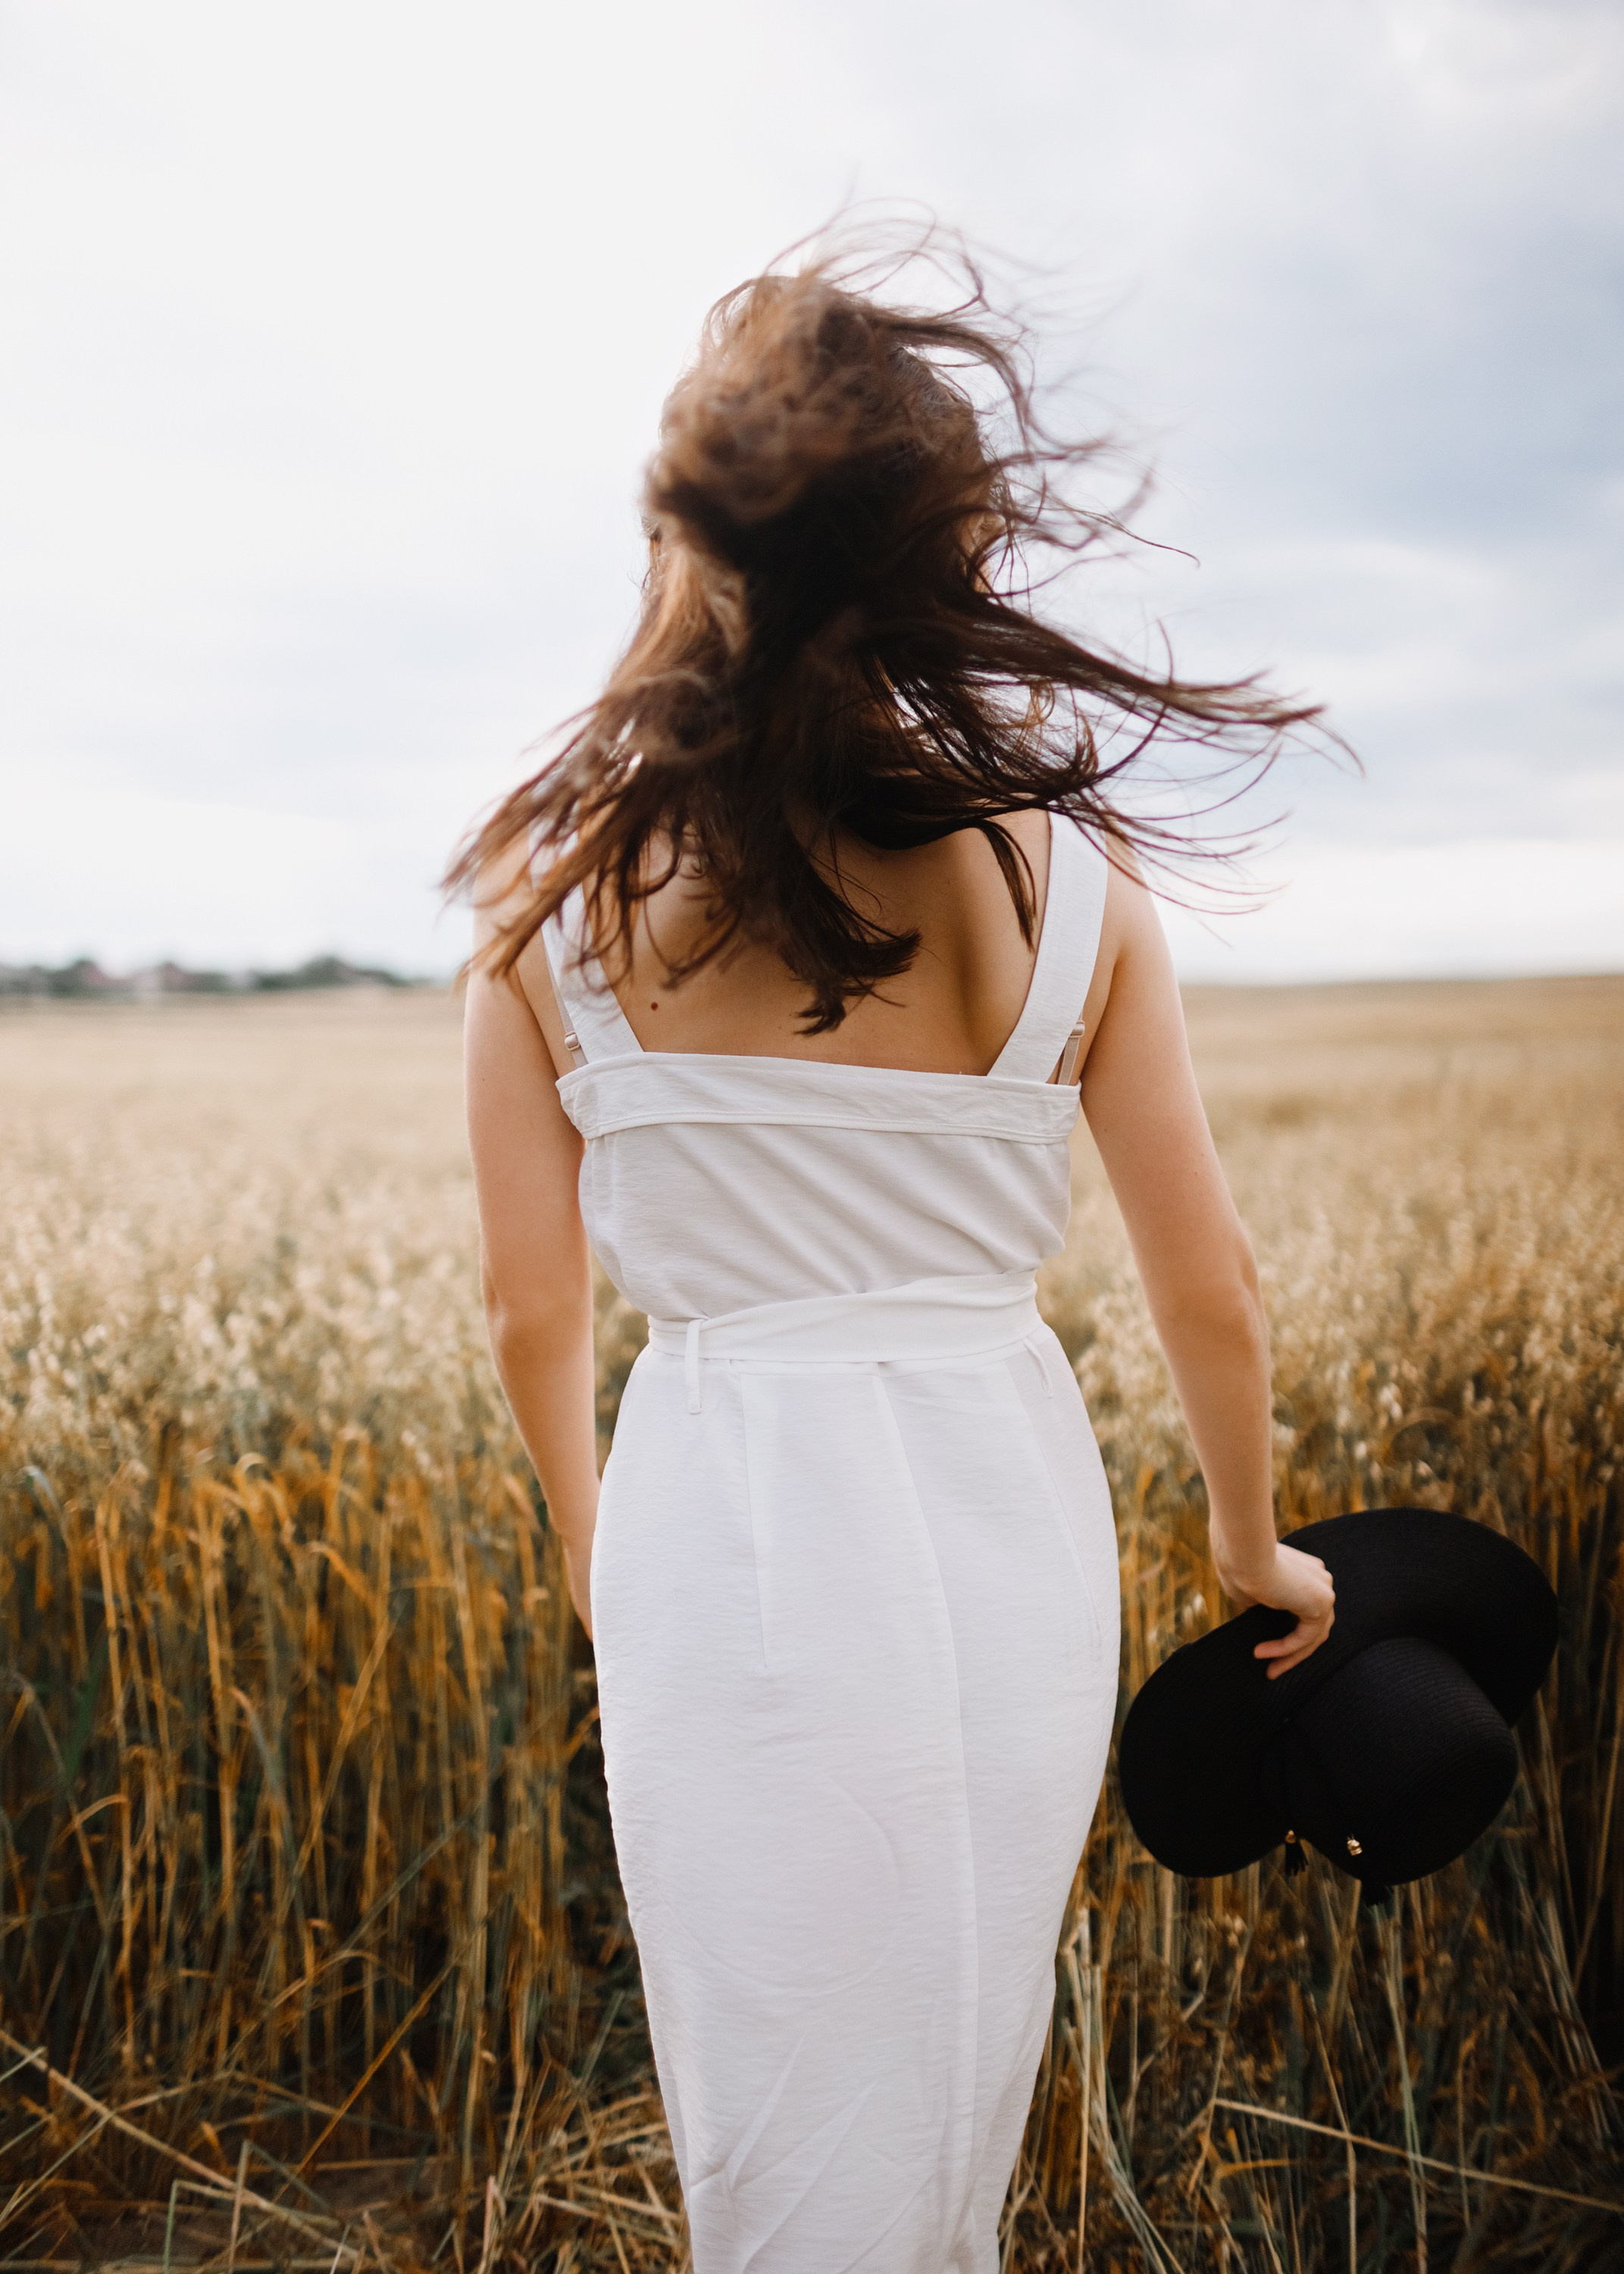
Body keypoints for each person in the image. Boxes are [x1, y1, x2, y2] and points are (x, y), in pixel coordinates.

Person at [453, 241, 1336, 2274]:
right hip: (1002, 1512)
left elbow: (531, 1312)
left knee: (772, 2101)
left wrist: (600, 1552)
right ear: (952, 552)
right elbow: (1210, 1284)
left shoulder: (551, 901)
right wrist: (1249, 1544)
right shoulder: (1078, 888)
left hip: (715, 1515)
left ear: (689, 542)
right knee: (951, 2056)